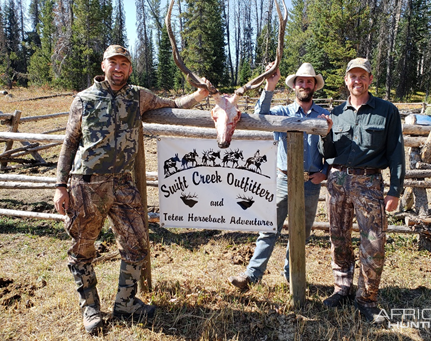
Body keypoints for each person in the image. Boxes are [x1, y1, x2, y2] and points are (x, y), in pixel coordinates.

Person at [53, 45, 210, 334]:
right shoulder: (84, 100)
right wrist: (60, 186)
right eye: (113, 63)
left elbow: (173, 104)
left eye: (124, 63)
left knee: (137, 243)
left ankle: (125, 302)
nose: (118, 68)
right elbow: (69, 143)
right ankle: (90, 308)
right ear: (103, 66)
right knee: (83, 248)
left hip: (124, 184)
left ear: (129, 68)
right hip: (87, 185)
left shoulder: (138, 96)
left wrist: (199, 96)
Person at [228, 62, 330, 289]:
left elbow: (335, 147)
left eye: (309, 81)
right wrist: (270, 86)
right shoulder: (282, 112)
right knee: (269, 228)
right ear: (294, 86)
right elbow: (258, 117)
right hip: (283, 179)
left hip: (310, 182)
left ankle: (292, 274)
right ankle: (252, 275)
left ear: (314, 86)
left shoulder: (324, 115)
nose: (305, 85)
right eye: (301, 81)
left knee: (300, 233)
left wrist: (324, 171)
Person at [322, 58, 405, 323]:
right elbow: (330, 153)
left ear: (370, 79)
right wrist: (325, 136)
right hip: (337, 182)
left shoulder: (386, 111)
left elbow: (396, 151)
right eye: (352, 77)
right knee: (339, 239)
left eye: (362, 76)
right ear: (346, 81)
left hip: (369, 184)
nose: (357, 81)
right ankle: (342, 288)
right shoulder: (336, 113)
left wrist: (395, 189)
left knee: (373, 242)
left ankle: (367, 299)